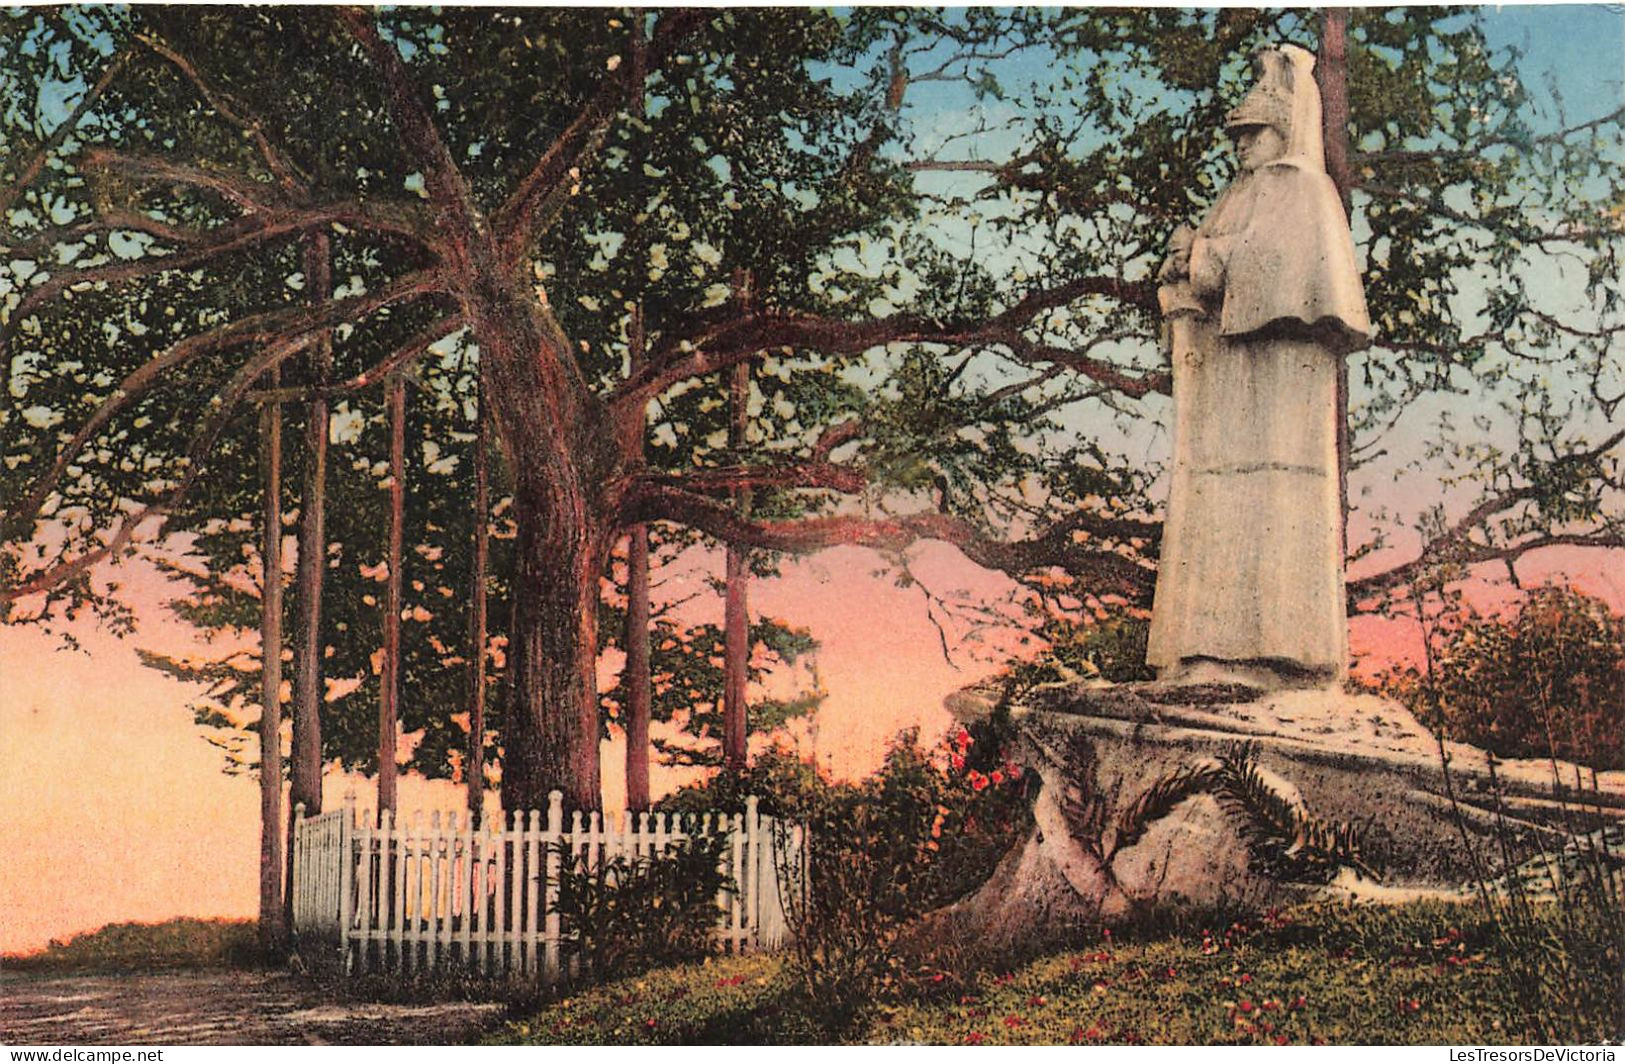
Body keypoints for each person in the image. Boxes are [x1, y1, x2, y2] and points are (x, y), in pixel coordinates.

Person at [1146, 45, 1371, 689]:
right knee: (1225, 503)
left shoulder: (1300, 188)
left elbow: (1270, 266)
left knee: (1275, 504)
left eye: (1254, 133)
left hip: (1278, 392)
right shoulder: (1240, 194)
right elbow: (1216, 275)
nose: (1242, 146)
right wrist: (1185, 265)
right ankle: (1215, 648)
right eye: (1239, 136)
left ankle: (1276, 653)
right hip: (1233, 391)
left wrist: (1203, 253)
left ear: (1285, 129)